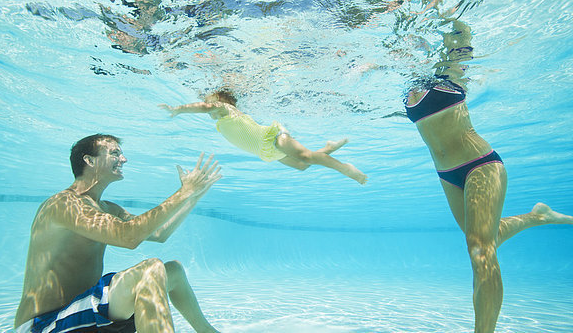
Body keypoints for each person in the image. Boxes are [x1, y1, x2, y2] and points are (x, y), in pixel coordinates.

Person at [405, 20, 573, 333]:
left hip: (480, 164)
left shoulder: (449, 72)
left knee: (480, 250)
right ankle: (538, 217)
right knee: (486, 239)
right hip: (447, 174)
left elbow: (461, 36)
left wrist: (447, 10)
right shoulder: (406, 83)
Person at [14, 134, 222, 333]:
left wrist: (193, 195)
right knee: (151, 269)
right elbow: (128, 237)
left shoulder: (106, 208)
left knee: (173, 272)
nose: (124, 159)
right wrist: (183, 192)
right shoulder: (64, 203)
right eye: (115, 153)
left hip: (84, 311)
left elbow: (159, 233)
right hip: (44, 324)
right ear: (89, 160)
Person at [159, 90, 367, 185]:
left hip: (273, 139)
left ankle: (346, 169)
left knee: (305, 157)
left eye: (209, 99)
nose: (207, 103)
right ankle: (327, 148)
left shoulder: (225, 109)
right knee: (303, 165)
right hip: (264, 151)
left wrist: (178, 109)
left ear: (220, 99)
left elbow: (205, 107)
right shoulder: (221, 122)